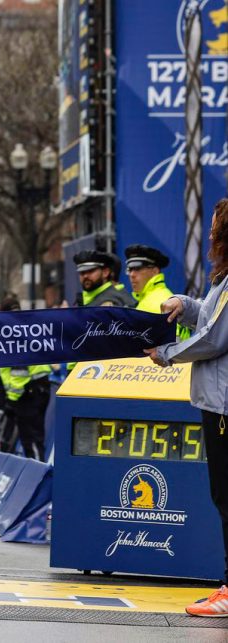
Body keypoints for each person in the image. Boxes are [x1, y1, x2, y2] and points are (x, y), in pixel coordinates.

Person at [145, 198, 228, 617]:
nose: (211, 233)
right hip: (217, 402)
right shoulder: (223, 280)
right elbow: (210, 319)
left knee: (226, 495)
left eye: (217, 226)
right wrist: (184, 303)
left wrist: (168, 352)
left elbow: (214, 339)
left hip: (225, 407)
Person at [0, 295, 51, 460]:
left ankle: (37, 474)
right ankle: (40, 466)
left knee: (29, 439)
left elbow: (15, 375)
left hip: (28, 393)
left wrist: (11, 399)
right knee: (37, 436)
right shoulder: (31, 326)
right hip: (42, 387)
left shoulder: (10, 334)